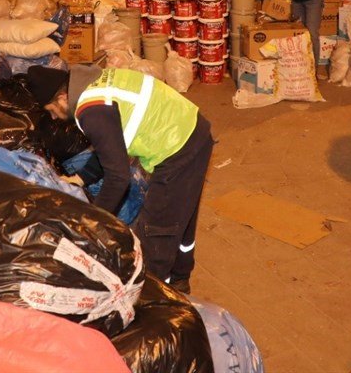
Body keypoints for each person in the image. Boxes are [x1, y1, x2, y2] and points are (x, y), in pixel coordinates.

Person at [30, 64, 214, 293]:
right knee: (180, 218)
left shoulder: (91, 110)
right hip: (192, 131)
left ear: (62, 97)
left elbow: (118, 178)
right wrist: (80, 178)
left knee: (155, 231)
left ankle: (157, 297)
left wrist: (91, 220)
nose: (54, 117)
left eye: (51, 109)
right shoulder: (93, 85)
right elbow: (110, 145)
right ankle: (180, 278)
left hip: (178, 148)